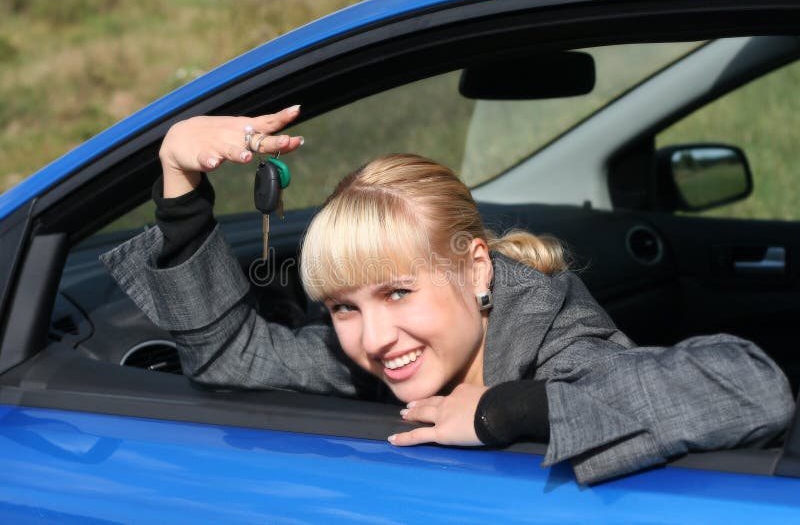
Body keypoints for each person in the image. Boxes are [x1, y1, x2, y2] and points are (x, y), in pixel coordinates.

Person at [100, 106, 794, 485]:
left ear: (476, 268)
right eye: (344, 306)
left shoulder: (561, 347)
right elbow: (228, 355)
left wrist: (504, 411)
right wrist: (179, 181)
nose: (372, 338)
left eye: (398, 292)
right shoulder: (371, 359)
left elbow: (754, 387)